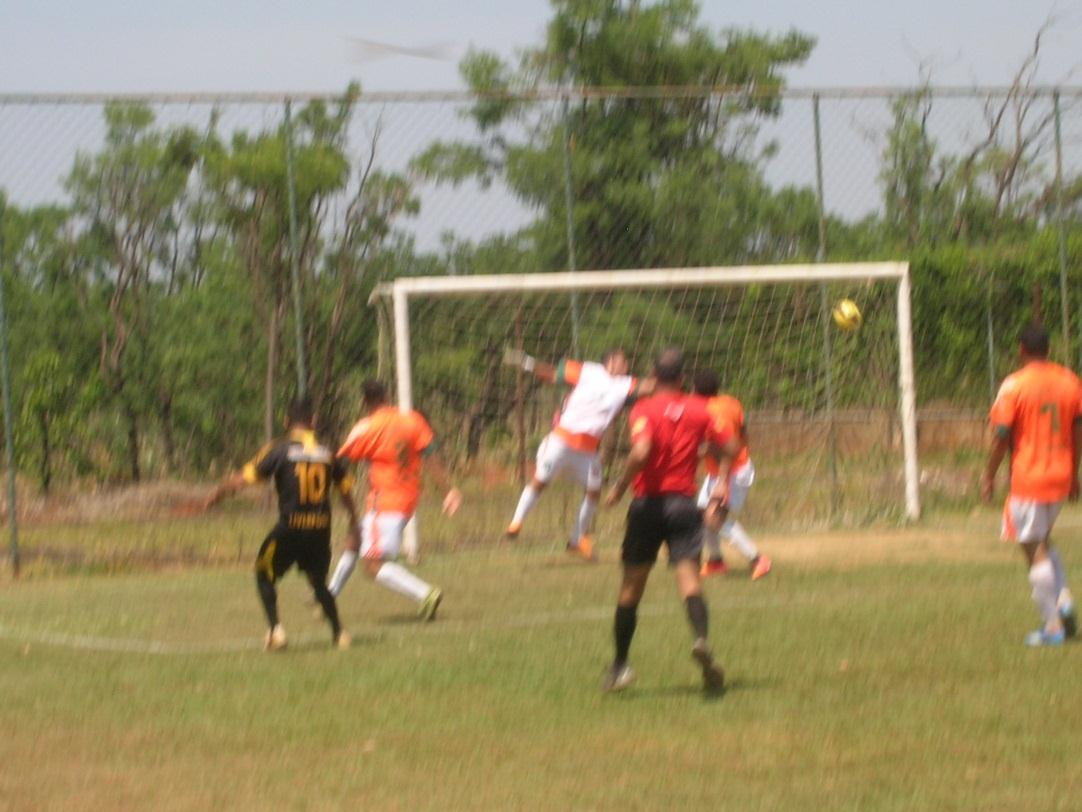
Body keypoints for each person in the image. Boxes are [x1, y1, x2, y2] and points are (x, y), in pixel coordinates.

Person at [602, 347, 740, 693]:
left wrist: (619, 487)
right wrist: (721, 480)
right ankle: (701, 640)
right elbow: (733, 446)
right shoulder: (701, 409)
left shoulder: (643, 408)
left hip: (647, 505)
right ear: (681, 378)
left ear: (653, 375)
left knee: (631, 586)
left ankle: (620, 666)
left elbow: (642, 450)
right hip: (682, 505)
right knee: (690, 580)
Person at [205, 396, 359, 651]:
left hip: (290, 529)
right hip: (320, 530)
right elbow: (345, 491)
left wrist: (217, 495)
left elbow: (243, 479)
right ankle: (340, 634)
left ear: (287, 421)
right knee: (318, 583)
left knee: (263, 572)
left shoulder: (278, 449)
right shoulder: (328, 453)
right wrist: (354, 522)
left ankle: (276, 631)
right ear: (313, 421)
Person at [327, 380, 462, 621]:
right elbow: (431, 456)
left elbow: (340, 465)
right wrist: (449, 491)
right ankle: (328, 597)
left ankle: (425, 593)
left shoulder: (366, 427)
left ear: (365, 402)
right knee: (354, 539)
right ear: (387, 396)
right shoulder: (413, 420)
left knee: (372, 564)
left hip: (386, 503)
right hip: (408, 500)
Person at [981, 323, 1081, 647]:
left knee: (1032, 548)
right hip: (1061, 476)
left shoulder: (1014, 386)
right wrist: (1075, 473)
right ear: (1048, 349)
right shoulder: (1070, 381)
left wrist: (989, 475)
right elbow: (1078, 432)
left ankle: (1052, 626)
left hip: (1029, 479)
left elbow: (1000, 436)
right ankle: (1063, 597)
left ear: (1021, 350)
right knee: (1044, 541)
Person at [503, 347, 647, 560]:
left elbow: (647, 387)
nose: (626, 366)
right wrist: (527, 362)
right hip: (562, 440)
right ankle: (516, 523)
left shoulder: (626, 384)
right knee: (541, 480)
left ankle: (576, 540)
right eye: (623, 361)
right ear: (611, 361)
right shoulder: (588, 371)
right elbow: (552, 373)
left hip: (588, 450)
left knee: (594, 491)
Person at [693, 370, 771, 581]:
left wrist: (722, 481)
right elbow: (743, 434)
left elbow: (726, 448)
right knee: (703, 514)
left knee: (713, 518)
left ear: (697, 392)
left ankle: (758, 559)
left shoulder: (708, 412)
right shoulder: (731, 402)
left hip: (732, 473)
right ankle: (716, 562)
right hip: (728, 468)